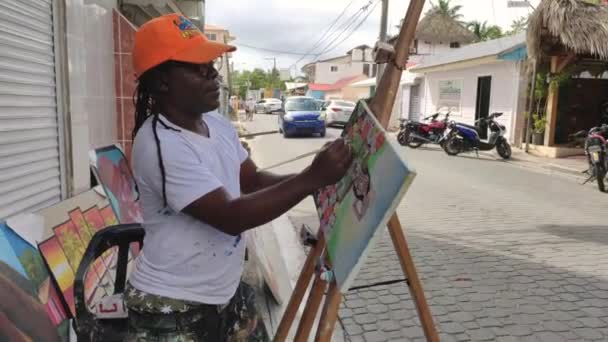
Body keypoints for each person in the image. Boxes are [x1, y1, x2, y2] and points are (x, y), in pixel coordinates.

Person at [126, 14, 353, 341]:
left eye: (212, 64)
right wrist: (311, 179)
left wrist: (319, 179)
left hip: (223, 292)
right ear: (162, 81)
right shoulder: (160, 145)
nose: (213, 74)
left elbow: (252, 180)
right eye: (199, 67)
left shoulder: (215, 124)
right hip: (171, 306)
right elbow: (230, 216)